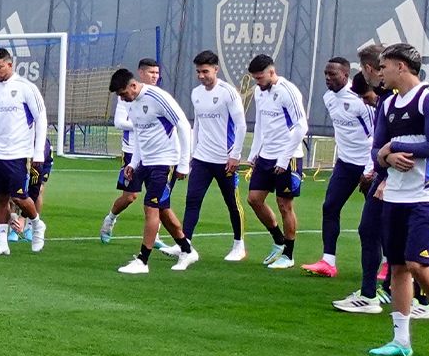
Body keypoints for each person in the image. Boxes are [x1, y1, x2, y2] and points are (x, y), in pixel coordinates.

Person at [367, 43, 429, 356]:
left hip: (428, 193)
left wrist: (390, 147)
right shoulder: (388, 104)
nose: (381, 73)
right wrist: (386, 156)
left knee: (417, 262)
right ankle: (401, 340)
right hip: (395, 194)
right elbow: (376, 153)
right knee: (396, 267)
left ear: (401, 67)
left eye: (385, 66)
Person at [110, 68, 197, 274]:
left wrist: (184, 163)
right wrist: (133, 163)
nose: (123, 99)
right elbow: (139, 136)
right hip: (147, 162)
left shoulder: (157, 97)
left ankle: (142, 261)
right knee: (164, 211)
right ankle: (187, 250)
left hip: (165, 162)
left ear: (133, 86)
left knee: (151, 207)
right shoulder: (131, 104)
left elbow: (183, 125)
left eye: (123, 94)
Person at [333, 44, 396, 314]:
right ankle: (370, 294)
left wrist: (385, 176)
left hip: (404, 181)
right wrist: (376, 170)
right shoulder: (384, 99)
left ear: (371, 69)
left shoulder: (404, 98)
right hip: (383, 174)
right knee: (370, 230)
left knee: (410, 240)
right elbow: (380, 141)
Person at [302, 57, 376, 278]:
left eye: (332, 74)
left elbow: (376, 135)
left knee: (375, 217)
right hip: (345, 164)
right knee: (330, 207)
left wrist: (370, 170)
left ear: (345, 74)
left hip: (368, 165)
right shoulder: (328, 98)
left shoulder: (361, 100)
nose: (328, 78)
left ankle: (386, 264)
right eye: (325, 73)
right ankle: (328, 261)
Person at [0, 47, 48, 256]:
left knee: (20, 197)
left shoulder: (26, 88)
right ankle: (2, 243)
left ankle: (37, 224)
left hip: (19, 153)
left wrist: (38, 152)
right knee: (0, 199)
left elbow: (41, 119)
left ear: (10, 65)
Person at [180, 50, 247, 261]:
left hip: (225, 159)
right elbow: (197, 124)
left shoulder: (228, 93)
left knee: (232, 202)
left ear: (216, 69)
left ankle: (239, 245)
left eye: (205, 71)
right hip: (202, 158)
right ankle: (185, 244)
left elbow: (241, 124)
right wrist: (192, 152)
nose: (201, 76)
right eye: (198, 72)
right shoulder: (196, 93)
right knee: (192, 200)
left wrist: (235, 154)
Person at [245, 54, 306, 269]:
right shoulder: (259, 92)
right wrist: (254, 152)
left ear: (272, 72)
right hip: (266, 156)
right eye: (255, 78)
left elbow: (301, 127)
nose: (257, 82)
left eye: (260, 78)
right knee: (254, 199)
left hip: (288, 157)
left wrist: (284, 158)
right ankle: (278, 240)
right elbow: (260, 124)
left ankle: (288, 255)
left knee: (284, 205)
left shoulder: (288, 92)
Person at [100, 58, 162, 245]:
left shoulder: (158, 95)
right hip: (131, 152)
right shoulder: (126, 95)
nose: (155, 76)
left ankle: (155, 236)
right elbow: (119, 122)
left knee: (157, 198)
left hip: (155, 154)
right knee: (130, 196)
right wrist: (143, 125)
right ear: (141, 74)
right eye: (151, 73)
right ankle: (110, 219)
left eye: (157, 73)